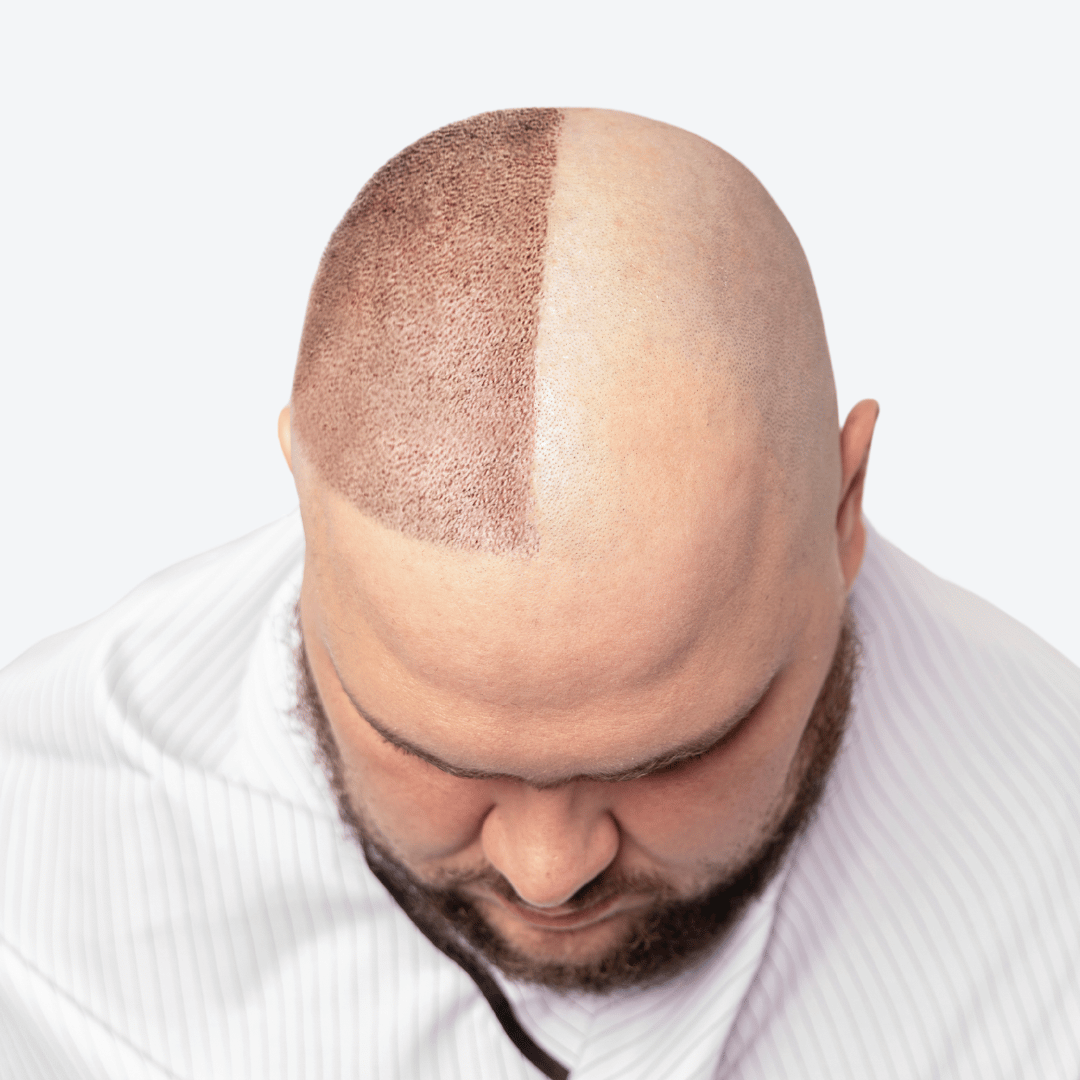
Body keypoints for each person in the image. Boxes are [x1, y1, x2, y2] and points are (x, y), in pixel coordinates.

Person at [1, 108, 1077, 1080]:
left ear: (843, 510)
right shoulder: (30, 886)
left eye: (674, 755)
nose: (550, 874)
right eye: (433, 752)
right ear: (307, 502)